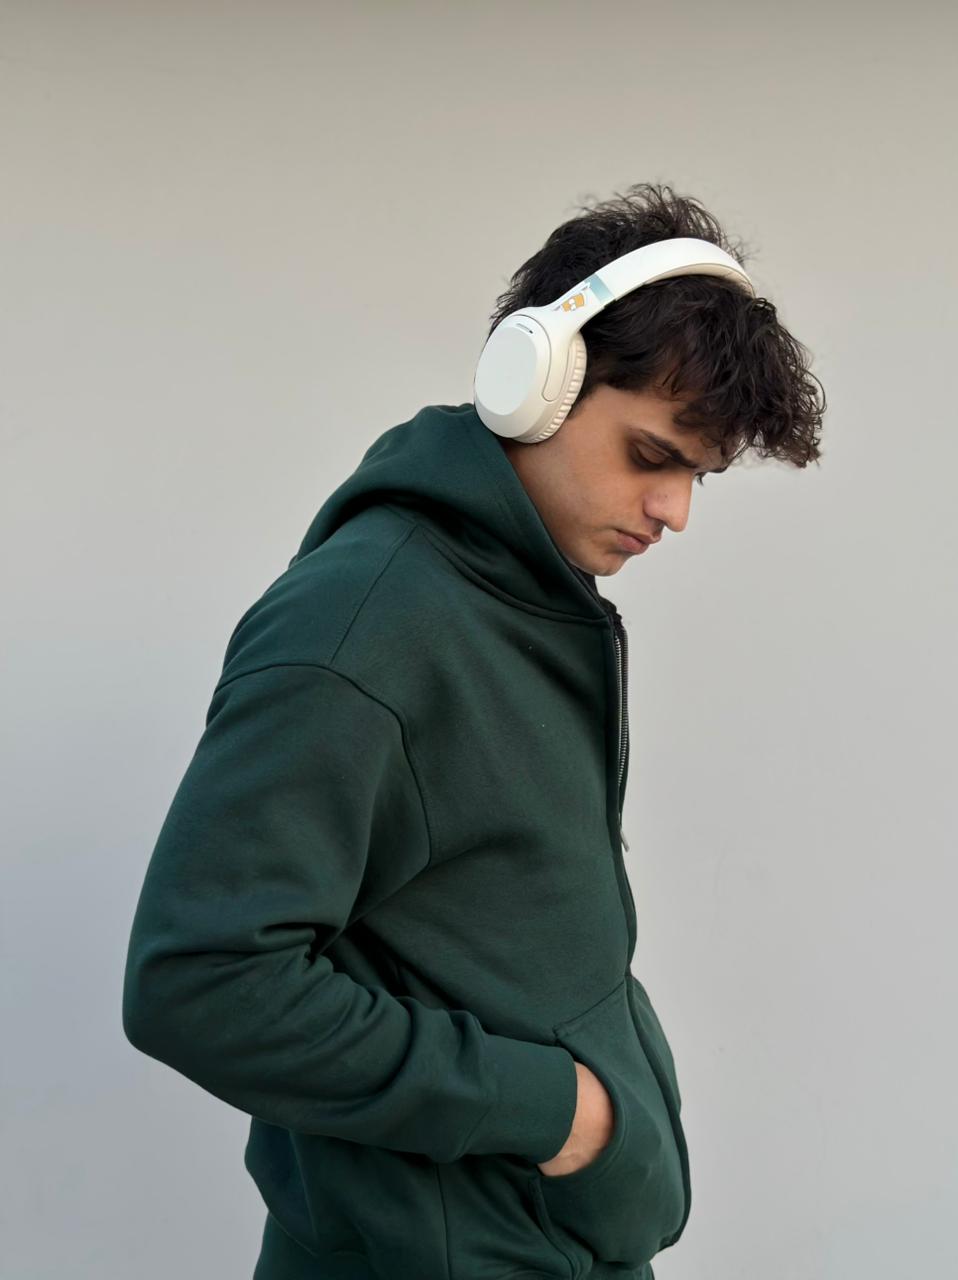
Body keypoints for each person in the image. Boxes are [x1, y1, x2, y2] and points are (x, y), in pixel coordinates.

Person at [122, 182, 824, 1280]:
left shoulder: (525, 597)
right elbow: (200, 982)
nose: (675, 511)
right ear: (534, 382)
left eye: (698, 475)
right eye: (652, 456)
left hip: (537, 1242)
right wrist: (556, 1111)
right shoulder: (364, 628)